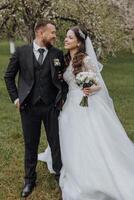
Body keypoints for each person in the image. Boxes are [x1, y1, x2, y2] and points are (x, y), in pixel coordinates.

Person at [40, 26, 134, 200]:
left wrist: (90, 88)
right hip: (69, 104)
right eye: (66, 37)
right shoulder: (66, 59)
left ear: (79, 41)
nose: (66, 39)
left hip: (85, 103)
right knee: (68, 135)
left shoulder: (86, 59)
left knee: (88, 138)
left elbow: (98, 84)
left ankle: (90, 174)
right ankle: (68, 164)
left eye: (70, 37)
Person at [4, 19, 68, 198]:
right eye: (52, 33)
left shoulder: (57, 54)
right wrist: (16, 99)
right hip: (29, 107)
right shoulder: (21, 52)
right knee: (30, 144)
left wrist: (60, 99)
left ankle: (59, 176)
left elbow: (63, 81)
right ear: (41, 33)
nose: (55, 36)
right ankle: (29, 179)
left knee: (55, 142)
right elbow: (8, 77)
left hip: (51, 107)